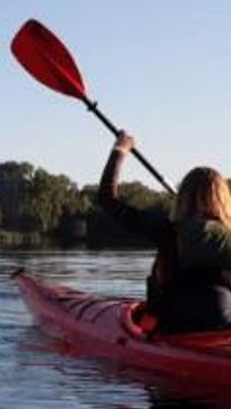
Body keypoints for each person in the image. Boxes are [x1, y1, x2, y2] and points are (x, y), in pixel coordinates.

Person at [99, 131, 231, 333]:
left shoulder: (166, 230)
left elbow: (108, 199)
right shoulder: (227, 235)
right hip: (224, 325)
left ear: (184, 197)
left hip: (175, 327)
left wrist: (120, 150)